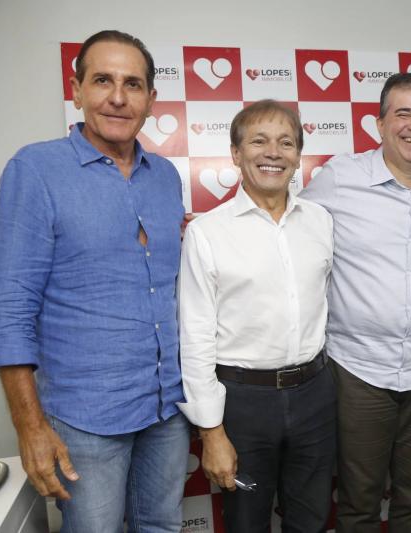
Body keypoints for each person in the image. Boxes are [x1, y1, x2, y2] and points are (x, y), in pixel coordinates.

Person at [0, 30, 189, 532]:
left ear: (151, 99)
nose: (118, 97)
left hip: (167, 408)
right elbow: (8, 308)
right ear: (76, 90)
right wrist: (30, 427)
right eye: (102, 80)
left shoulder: (165, 176)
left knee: (162, 527)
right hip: (84, 419)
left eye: (132, 84)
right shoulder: (35, 169)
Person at [299, 72, 411, 532]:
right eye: (403, 113)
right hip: (358, 369)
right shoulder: (341, 178)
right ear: (379, 123)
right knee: (359, 501)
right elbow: (289, 227)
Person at [177, 100, 336, 532]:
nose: (273, 153)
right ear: (235, 153)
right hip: (243, 404)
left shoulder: (321, 221)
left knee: (312, 520)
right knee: (246, 523)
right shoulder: (207, 232)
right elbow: (194, 335)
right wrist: (211, 431)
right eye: (259, 141)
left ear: (298, 156)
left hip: (315, 395)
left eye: (286, 143)